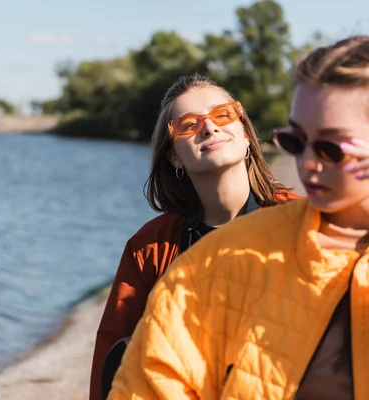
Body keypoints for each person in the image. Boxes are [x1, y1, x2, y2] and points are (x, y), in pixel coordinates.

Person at [108, 35, 369, 400]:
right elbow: (120, 365)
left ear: (246, 131)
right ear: (174, 156)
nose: (308, 163)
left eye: (329, 145)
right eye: (296, 142)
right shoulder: (180, 260)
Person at [90, 73, 299, 400]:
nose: (209, 127)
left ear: (245, 134)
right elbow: (113, 361)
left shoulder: (304, 225)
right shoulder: (149, 249)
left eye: (222, 114)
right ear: (173, 155)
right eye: (188, 124)